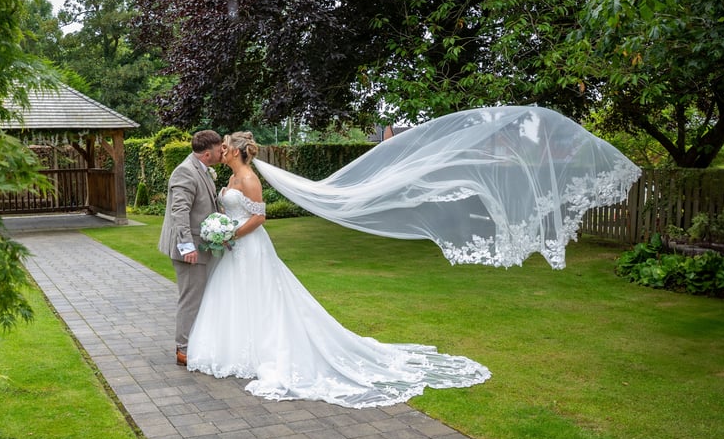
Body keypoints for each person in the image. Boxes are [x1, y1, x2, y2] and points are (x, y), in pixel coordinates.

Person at [186, 131, 491, 408]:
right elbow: (232, 209)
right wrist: (222, 227)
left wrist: (231, 234)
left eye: (225, 147)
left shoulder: (249, 179)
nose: (221, 151)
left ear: (236, 152)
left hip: (250, 246)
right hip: (234, 248)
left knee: (261, 297)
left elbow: (259, 218)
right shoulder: (230, 179)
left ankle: (264, 350)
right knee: (236, 296)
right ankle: (237, 349)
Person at [159, 129, 224, 366]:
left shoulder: (203, 170)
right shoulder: (185, 171)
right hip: (189, 250)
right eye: (219, 149)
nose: (222, 152)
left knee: (198, 297)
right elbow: (179, 212)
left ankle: (195, 343)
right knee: (191, 298)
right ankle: (183, 349)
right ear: (207, 153)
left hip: (201, 245)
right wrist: (187, 247)